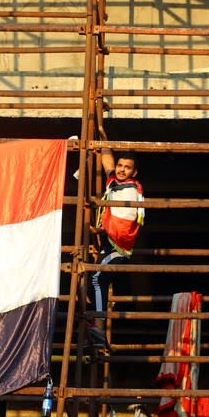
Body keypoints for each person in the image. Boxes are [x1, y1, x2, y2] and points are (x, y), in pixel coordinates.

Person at [88, 145, 145, 349]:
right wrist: (102, 139)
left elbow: (125, 222)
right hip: (109, 242)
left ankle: (98, 328)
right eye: (120, 165)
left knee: (96, 278)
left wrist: (104, 228)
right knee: (92, 280)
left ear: (134, 172)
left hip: (120, 247)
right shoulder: (113, 182)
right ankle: (96, 328)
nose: (121, 170)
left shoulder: (131, 189)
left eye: (127, 167)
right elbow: (108, 165)